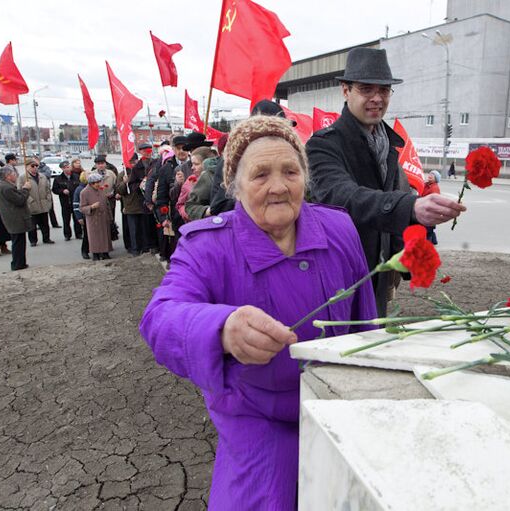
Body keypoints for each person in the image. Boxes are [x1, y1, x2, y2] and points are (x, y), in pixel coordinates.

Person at [140, 115, 376, 510]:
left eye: (290, 170)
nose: (278, 186)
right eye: (260, 174)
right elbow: (160, 317)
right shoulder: (208, 246)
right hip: (255, 417)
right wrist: (222, 328)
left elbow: (364, 322)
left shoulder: (339, 229)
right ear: (234, 185)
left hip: (337, 407)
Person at [306, 48, 466, 315]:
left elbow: (391, 207)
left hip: (377, 278)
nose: (377, 98)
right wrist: (411, 207)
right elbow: (341, 197)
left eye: (384, 90)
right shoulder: (324, 144)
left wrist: (408, 260)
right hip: (338, 275)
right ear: (346, 91)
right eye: (366, 89)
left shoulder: (388, 145)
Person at [209, 100, 292, 216]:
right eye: (261, 175)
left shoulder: (292, 156)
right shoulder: (234, 159)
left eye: (290, 172)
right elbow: (219, 206)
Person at [0, 163, 33, 271]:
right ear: (8, 175)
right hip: (15, 218)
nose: (16, 175)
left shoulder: (4, 186)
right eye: (13, 173)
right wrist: (25, 189)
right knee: (18, 243)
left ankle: (20, 262)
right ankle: (18, 264)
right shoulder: (6, 187)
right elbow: (19, 200)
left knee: (19, 242)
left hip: (13, 217)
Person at [116, 149, 151, 256]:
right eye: (130, 162)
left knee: (144, 229)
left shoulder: (143, 170)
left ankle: (145, 247)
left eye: (134, 161)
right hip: (130, 206)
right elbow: (119, 190)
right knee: (133, 230)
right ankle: (135, 249)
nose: (132, 164)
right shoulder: (123, 174)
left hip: (142, 204)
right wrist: (124, 182)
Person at [17, 157, 55, 246]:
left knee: (45, 223)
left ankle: (46, 238)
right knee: (32, 225)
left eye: (36, 166)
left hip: (43, 203)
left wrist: (48, 199)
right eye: (32, 166)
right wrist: (30, 200)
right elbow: (20, 191)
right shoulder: (23, 178)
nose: (35, 168)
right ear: (27, 167)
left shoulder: (42, 176)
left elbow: (47, 189)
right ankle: (33, 240)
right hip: (31, 204)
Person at [78, 172, 112, 260]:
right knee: (95, 237)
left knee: (105, 235)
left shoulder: (101, 190)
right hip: (93, 218)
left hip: (103, 217)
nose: (98, 184)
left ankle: (105, 252)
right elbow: (81, 207)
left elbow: (107, 204)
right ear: (91, 183)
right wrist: (91, 207)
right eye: (95, 183)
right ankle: (96, 253)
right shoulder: (84, 192)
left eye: (99, 182)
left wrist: (110, 216)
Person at [177, 146, 213, 221]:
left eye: (196, 164)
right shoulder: (190, 180)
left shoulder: (216, 179)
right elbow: (180, 204)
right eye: (192, 164)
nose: (192, 167)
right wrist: (189, 214)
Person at [52, 160, 82, 241]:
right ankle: (67, 235)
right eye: (65, 168)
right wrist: (62, 191)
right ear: (62, 169)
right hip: (65, 202)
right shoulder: (58, 179)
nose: (67, 169)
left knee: (77, 219)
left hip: (75, 201)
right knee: (66, 219)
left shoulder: (76, 176)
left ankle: (79, 233)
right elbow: (54, 189)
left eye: (68, 167)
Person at [72, 173, 90, 260]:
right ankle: (84, 251)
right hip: (84, 215)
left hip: (92, 215)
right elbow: (76, 204)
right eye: (88, 174)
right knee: (86, 235)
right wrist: (79, 217)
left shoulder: (92, 187)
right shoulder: (80, 189)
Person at [422, 171, 441, 245]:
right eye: (430, 174)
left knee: (428, 229)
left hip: (430, 212)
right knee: (428, 228)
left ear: (436, 179)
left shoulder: (435, 188)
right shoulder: (425, 184)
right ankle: (433, 241)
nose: (430, 175)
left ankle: (428, 244)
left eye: (432, 175)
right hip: (424, 209)